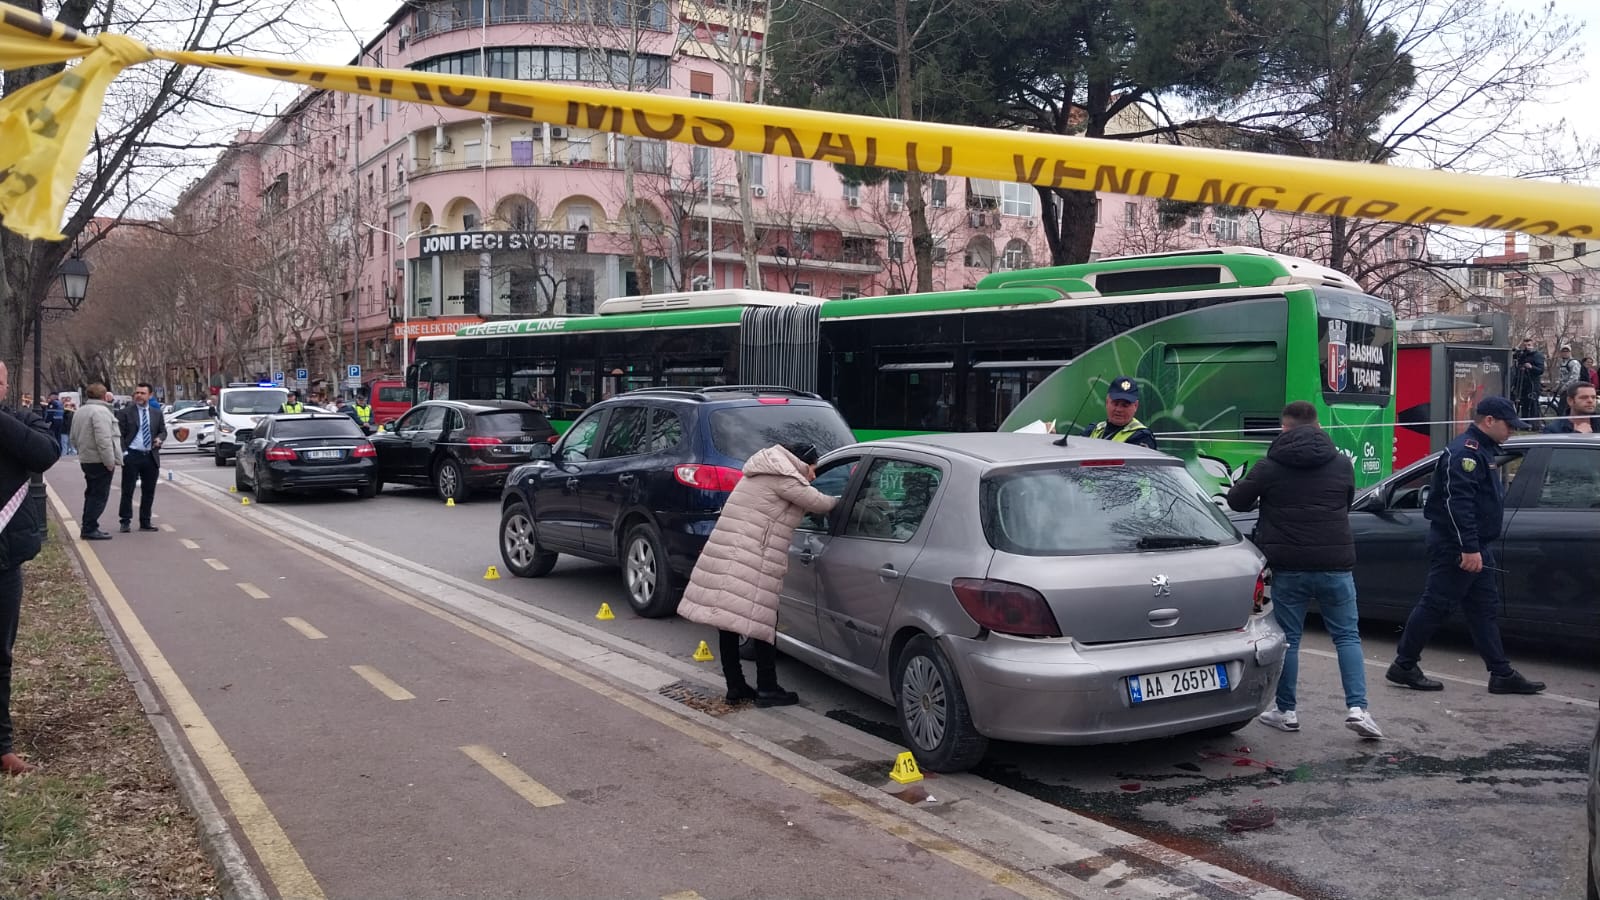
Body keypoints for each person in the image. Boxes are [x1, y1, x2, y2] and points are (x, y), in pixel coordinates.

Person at [1227, 401, 1381, 739]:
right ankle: (1358, 709)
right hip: (1336, 564)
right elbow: (1344, 503)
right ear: (1318, 426)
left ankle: (1287, 711)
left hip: (1289, 565)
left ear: (1285, 427)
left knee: (1291, 639)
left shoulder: (1270, 466)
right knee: (1347, 636)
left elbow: (1237, 501)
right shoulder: (1341, 463)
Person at [1386, 396, 1545, 695]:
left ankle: (1501, 673)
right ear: (1489, 421)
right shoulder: (1466, 453)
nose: (1511, 431)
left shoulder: (1483, 450)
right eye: (1508, 425)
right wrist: (1468, 548)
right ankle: (1404, 664)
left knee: (1483, 609)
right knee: (1435, 605)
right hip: (1457, 547)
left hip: (1473, 545)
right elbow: (1458, 504)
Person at [675, 443, 838, 707]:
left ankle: (736, 685)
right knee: (764, 622)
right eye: (813, 468)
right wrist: (845, 500)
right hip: (750, 557)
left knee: (728, 622)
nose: (813, 475)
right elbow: (820, 503)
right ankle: (767, 688)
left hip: (732, 553)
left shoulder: (762, 471)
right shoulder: (784, 479)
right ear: (800, 462)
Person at [0, 361, 62, 775]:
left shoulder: (19, 420)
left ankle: (1, 745)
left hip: (4, 558)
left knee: (0, 656)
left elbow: (45, 454)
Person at [69, 383, 120, 541]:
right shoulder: (101, 412)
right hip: (99, 460)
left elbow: (73, 437)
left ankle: (88, 525)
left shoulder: (80, 411)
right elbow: (104, 439)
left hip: (86, 458)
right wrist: (109, 461)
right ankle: (90, 527)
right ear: (105, 396)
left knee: (91, 493)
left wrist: (81, 451)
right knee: (99, 495)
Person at [114, 382, 167, 534]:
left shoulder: (156, 413)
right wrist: (125, 453)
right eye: (137, 393)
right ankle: (125, 521)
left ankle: (145, 521)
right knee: (127, 490)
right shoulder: (125, 412)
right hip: (132, 455)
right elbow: (120, 435)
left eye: (143, 393)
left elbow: (163, 431)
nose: (139, 396)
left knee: (148, 491)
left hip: (150, 456)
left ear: (150, 395)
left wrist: (159, 439)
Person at [1079, 376, 1158, 449]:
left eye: (1125, 405)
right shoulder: (1093, 430)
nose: (1119, 409)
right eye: (1115, 403)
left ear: (1136, 406)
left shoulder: (1142, 437)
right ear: (1107, 402)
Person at [1511, 338, 1545, 423]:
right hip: (1522, 384)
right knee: (1524, 404)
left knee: (1533, 404)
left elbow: (1540, 370)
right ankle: (1524, 423)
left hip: (1532, 384)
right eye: (1525, 345)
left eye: (1529, 345)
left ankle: (1534, 424)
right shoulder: (1523, 355)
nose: (1527, 347)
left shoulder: (1538, 355)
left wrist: (1531, 367)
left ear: (1533, 345)